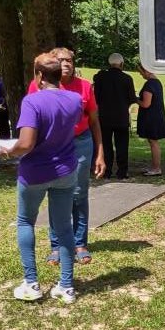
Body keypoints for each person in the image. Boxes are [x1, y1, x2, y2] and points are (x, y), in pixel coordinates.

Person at [0, 52, 83, 304]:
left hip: (35, 171)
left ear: (39, 76)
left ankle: (31, 283)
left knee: (26, 222)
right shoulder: (75, 99)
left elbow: (26, 143)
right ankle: (66, 286)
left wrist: (8, 150)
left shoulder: (32, 101)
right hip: (66, 171)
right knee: (64, 227)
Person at [27, 47, 105, 265]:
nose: (67, 64)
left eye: (70, 60)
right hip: (52, 145)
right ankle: (57, 246)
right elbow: (32, 120)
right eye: (61, 60)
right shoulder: (37, 86)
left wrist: (100, 153)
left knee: (79, 193)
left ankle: (80, 243)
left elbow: (94, 121)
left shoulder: (85, 86)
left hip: (80, 142)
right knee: (56, 193)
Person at [93, 53, 137, 179]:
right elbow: (132, 98)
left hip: (105, 117)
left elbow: (96, 97)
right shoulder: (127, 78)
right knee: (122, 145)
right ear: (121, 64)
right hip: (121, 117)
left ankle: (106, 171)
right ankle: (122, 171)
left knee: (106, 145)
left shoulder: (101, 78)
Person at [136, 63, 165, 176]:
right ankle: (154, 166)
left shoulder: (149, 84)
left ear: (146, 70)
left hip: (151, 118)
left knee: (153, 142)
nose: (141, 74)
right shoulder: (157, 82)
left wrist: (135, 99)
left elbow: (146, 104)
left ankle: (156, 168)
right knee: (153, 142)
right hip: (157, 116)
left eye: (141, 72)